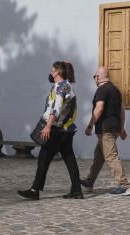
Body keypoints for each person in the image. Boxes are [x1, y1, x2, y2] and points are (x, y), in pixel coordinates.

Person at [17, 61, 83, 200]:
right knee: (69, 158)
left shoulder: (61, 87)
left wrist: (47, 126)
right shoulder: (64, 86)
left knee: (43, 158)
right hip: (66, 129)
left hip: (57, 129)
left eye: (52, 70)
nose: (50, 72)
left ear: (57, 72)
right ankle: (76, 190)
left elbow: (56, 109)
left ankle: (35, 190)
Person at [80, 67, 130, 196]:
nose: (94, 79)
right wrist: (121, 128)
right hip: (114, 128)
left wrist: (90, 125)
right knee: (99, 156)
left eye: (94, 77)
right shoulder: (115, 90)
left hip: (105, 129)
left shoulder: (102, 90)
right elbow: (121, 111)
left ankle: (124, 186)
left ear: (98, 77)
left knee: (111, 157)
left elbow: (99, 108)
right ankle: (89, 182)